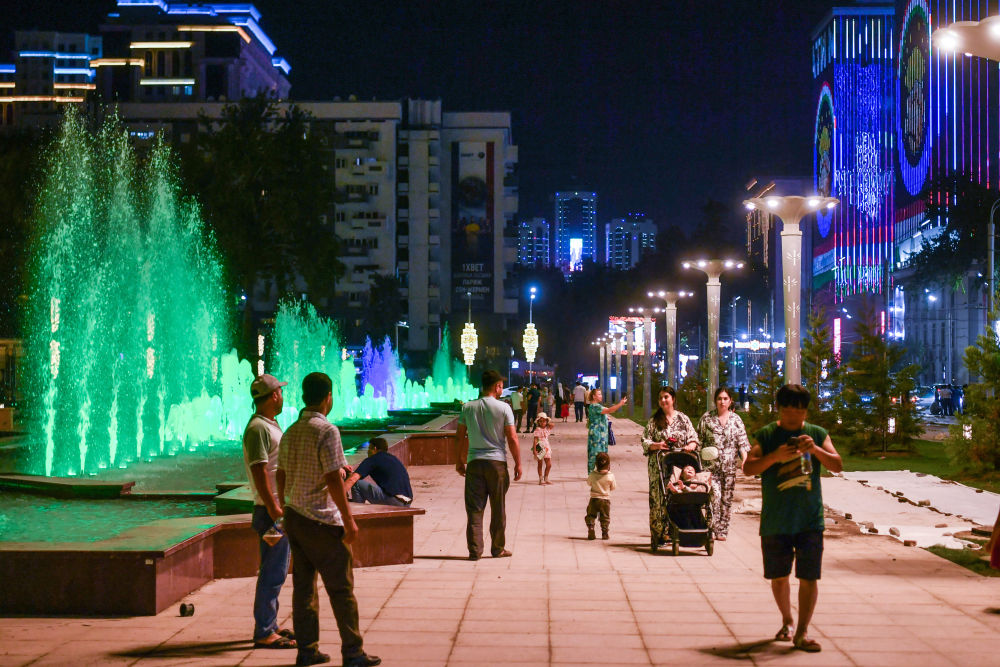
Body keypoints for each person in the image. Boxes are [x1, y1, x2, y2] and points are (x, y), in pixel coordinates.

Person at [277, 372, 380, 667]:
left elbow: (281, 474)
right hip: (321, 520)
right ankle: (353, 652)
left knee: (303, 589)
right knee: (341, 588)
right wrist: (348, 520)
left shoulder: (291, 431)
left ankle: (307, 650)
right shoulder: (327, 431)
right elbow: (333, 479)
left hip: (296, 517)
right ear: (328, 397)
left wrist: (285, 506)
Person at [743, 384, 843, 654]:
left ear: (806, 411)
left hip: (810, 519)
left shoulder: (816, 434)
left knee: (809, 577)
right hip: (776, 520)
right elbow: (748, 468)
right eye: (788, 410)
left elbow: (837, 464)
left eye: (799, 411)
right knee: (779, 577)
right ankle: (787, 620)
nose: (793, 417)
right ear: (779, 409)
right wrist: (775, 456)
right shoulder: (767, 435)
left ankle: (802, 631)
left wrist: (816, 450)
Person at [242, 374, 295, 650]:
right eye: (280, 392)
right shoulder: (258, 429)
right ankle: (264, 631)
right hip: (269, 512)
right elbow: (259, 471)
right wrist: (275, 509)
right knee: (272, 573)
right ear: (274, 395)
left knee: (277, 570)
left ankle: (270, 624)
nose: (282, 396)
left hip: (274, 509)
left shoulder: (268, 425)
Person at [455, 369, 523, 560]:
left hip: (474, 463)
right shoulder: (504, 408)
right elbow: (512, 438)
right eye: (501, 386)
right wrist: (518, 463)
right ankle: (498, 548)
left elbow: (459, 437)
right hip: (497, 464)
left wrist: (459, 460)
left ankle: (475, 550)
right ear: (497, 386)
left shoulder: (467, 407)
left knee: (474, 509)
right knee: (498, 508)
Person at [641, 386, 699, 548]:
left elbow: (693, 437)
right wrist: (657, 445)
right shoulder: (654, 421)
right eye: (660, 398)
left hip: (679, 466)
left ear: (673, 399)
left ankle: (677, 531)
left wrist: (691, 445)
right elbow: (644, 440)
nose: (663, 400)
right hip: (659, 466)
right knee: (658, 500)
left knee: (677, 498)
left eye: (666, 397)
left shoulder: (683, 419)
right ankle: (658, 535)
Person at [698, 387, 751, 541]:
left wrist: (745, 459)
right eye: (719, 399)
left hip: (729, 468)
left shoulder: (736, 420)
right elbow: (699, 441)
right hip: (711, 467)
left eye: (725, 399)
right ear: (715, 400)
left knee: (726, 500)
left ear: (730, 401)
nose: (722, 402)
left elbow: (742, 443)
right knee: (715, 496)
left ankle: (722, 530)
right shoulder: (707, 419)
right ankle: (712, 527)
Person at [343, 437, 413, 506]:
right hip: (407, 503)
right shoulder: (393, 458)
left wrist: (339, 496)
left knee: (357, 484)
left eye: (369, 448)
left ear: (375, 448)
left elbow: (352, 479)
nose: (367, 451)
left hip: (395, 502)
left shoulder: (372, 459)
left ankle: (357, 510)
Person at [585, 388, 628, 473]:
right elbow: (609, 410)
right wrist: (620, 404)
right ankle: (592, 474)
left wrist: (605, 417)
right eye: (599, 394)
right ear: (594, 396)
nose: (601, 396)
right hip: (597, 435)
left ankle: (597, 472)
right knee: (595, 454)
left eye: (601, 394)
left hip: (600, 435)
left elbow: (607, 411)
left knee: (599, 454)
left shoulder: (595, 406)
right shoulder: (595, 406)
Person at [585, 451, 616, 540]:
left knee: (590, 515)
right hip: (605, 500)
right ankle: (605, 533)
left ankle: (591, 527)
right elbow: (613, 487)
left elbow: (588, 483)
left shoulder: (593, 474)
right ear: (609, 465)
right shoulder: (611, 476)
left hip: (594, 499)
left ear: (596, 464)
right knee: (605, 517)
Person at [532, 412, 554, 485]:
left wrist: (547, 421)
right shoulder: (537, 429)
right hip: (540, 446)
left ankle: (546, 477)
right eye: (540, 421)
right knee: (540, 464)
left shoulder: (547, 428)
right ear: (538, 422)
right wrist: (534, 450)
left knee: (549, 464)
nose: (542, 422)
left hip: (546, 446)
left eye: (544, 421)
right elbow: (535, 440)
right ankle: (541, 478)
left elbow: (552, 425)